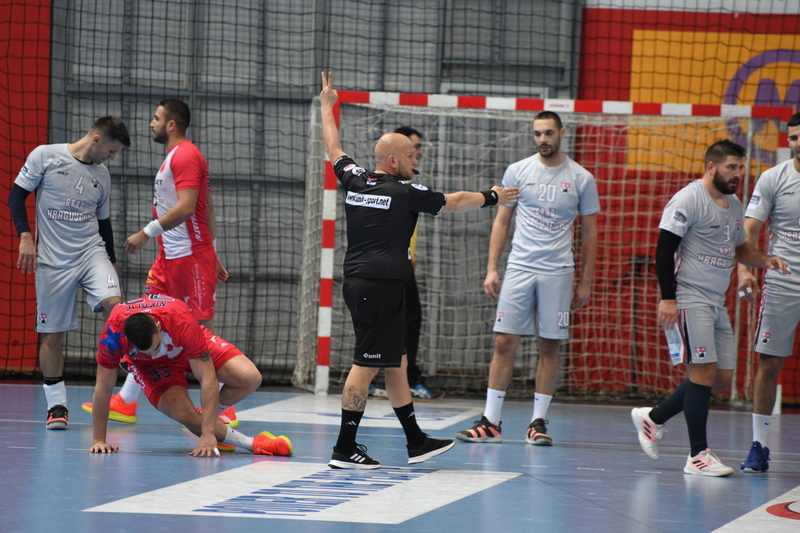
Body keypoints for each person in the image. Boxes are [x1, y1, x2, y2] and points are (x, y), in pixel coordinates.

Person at [319, 71, 519, 469]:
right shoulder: (404, 192)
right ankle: (344, 447)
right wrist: (492, 196)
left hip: (377, 285)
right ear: (393, 160)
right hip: (375, 287)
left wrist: (328, 107)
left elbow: (333, 146)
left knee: (397, 362)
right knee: (366, 363)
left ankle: (416, 441)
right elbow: (455, 200)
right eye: (412, 156)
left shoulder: (354, 178)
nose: (416, 161)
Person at [630, 139, 789, 477]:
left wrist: (766, 260)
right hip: (689, 297)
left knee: (719, 380)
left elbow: (740, 249)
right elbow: (664, 250)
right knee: (702, 374)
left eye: (740, 168)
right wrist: (668, 298)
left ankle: (653, 418)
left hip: (717, 300)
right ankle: (697, 455)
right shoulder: (688, 199)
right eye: (731, 167)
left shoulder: (734, 204)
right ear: (711, 167)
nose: (737, 174)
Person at [455, 110, 599, 447]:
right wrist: (492, 268)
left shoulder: (582, 178)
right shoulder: (517, 171)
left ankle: (537, 423)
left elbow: (590, 233)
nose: (542, 140)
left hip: (558, 271)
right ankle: (490, 422)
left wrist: (585, 282)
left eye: (548, 133)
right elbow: (502, 221)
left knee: (549, 344)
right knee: (503, 341)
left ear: (562, 133)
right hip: (519, 267)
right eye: (537, 134)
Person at [93, 99, 229, 425]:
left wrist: (146, 232)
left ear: (171, 124)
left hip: (190, 258)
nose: (151, 123)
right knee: (147, 319)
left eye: (156, 118)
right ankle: (126, 400)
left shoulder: (186, 155)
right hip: (169, 258)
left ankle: (223, 408)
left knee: (201, 331)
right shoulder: (175, 156)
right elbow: (207, 206)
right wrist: (214, 253)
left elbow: (189, 206)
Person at [7, 116, 131, 430]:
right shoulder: (45, 156)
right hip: (52, 260)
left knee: (117, 307)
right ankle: (57, 406)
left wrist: (112, 263)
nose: (111, 158)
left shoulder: (102, 175)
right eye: (111, 151)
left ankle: (132, 364)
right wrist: (25, 236)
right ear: (97, 140)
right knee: (52, 336)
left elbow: (104, 223)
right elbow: (16, 196)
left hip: (91, 252)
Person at [89, 293, 292, 457]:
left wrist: (208, 432)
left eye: (156, 347)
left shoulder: (179, 319)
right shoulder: (113, 333)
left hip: (185, 349)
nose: (155, 353)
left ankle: (208, 422)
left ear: (158, 326)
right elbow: (103, 387)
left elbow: (207, 377)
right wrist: (99, 440)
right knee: (186, 415)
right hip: (149, 368)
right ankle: (254, 443)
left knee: (249, 378)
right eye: (147, 351)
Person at [736, 112, 800, 473]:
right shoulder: (774, 178)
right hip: (783, 281)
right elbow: (749, 229)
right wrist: (745, 268)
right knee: (769, 361)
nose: (799, 143)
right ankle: (759, 446)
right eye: (794, 137)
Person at [369, 126, 444, 401]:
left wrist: (412, 254)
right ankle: (405, 380)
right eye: (413, 149)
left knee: (394, 320)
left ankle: (385, 379)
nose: (418, 153)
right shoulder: (398, 187)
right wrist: (490, 197)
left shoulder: (392, 184)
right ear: (396, 156)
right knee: (405, 319)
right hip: (389, 265)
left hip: (395, 262)